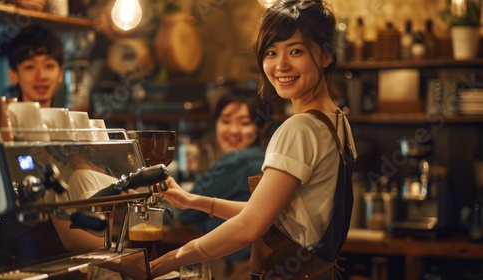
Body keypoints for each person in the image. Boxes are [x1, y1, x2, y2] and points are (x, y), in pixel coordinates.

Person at [150, 0, 357, 279]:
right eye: (271, 52)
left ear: (326, 55)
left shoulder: (299, 128)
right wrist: (191, 201)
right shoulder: (337, 122)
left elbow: (250, 227)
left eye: (296, 51)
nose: (281, 65)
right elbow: (267, 213)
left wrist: (170, 260)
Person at [178, 90, 272, 279]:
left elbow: (185, 213)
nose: (234, 130)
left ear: (262, 128)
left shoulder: (235, 162)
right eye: (226, 121)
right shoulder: (265, 159)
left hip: (238, 268)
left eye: (245, 123)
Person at [6, 24, 64, 108]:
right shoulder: (5, 121)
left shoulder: (68, 120)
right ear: (13, 75)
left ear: (61, 73)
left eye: (49, 66)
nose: (41, 76)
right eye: (30, 67)